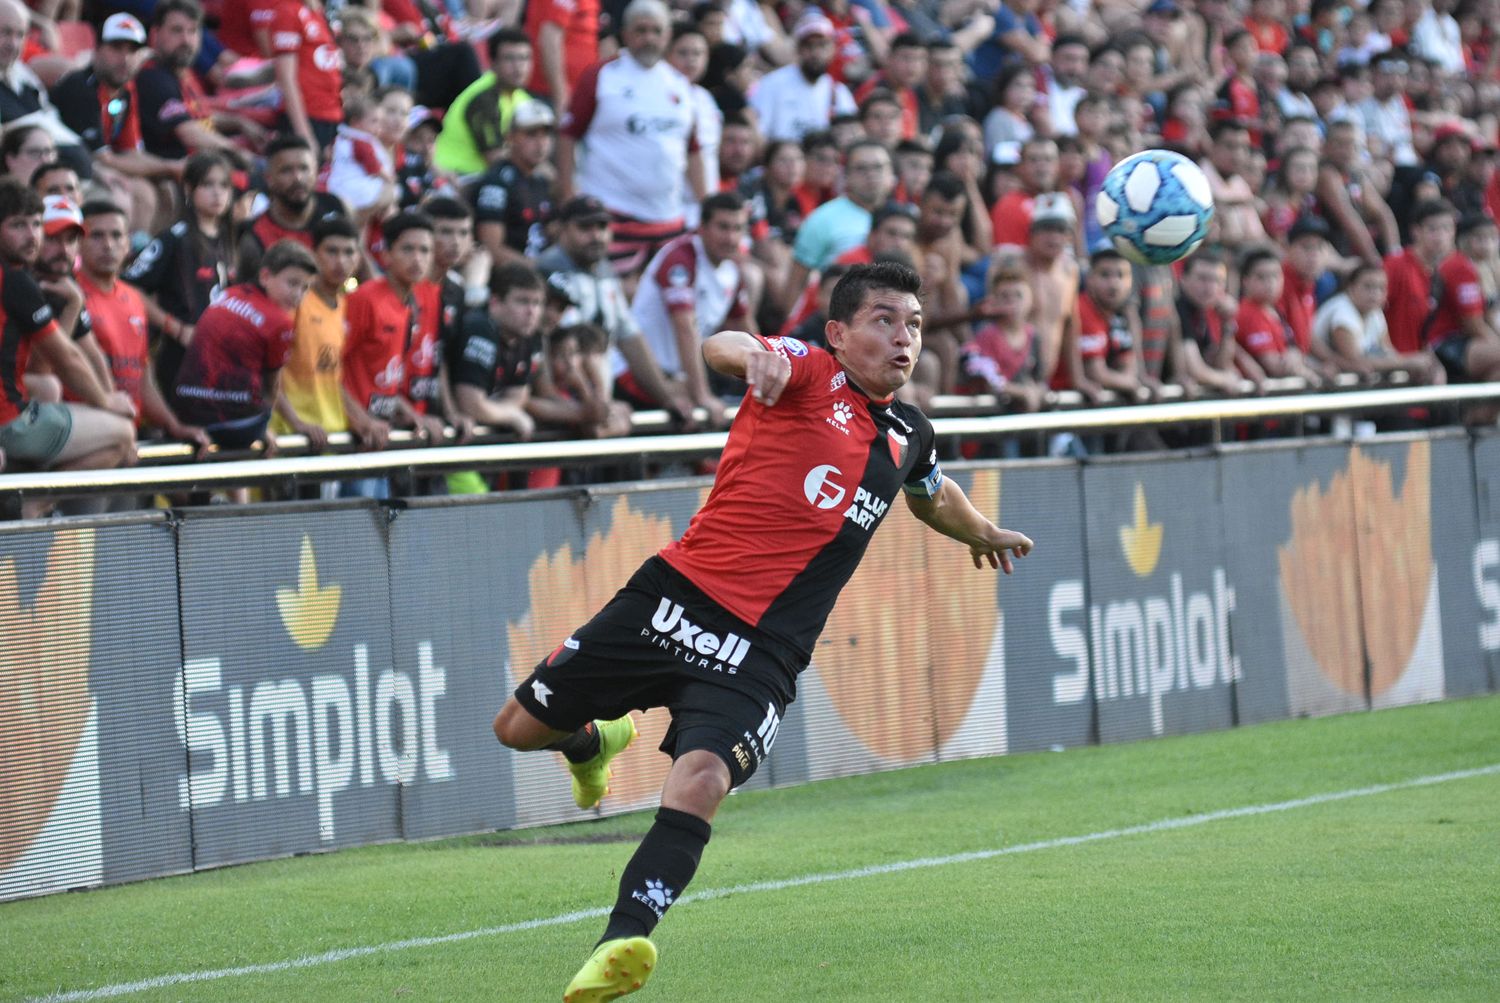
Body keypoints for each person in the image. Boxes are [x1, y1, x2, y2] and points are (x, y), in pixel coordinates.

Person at [489, 261, 1033, 1002]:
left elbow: (932, 494)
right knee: (517, 728)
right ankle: (594, 741)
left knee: (704, 775)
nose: (903, 337)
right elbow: (723, 343)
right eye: (884, 320)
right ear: (839, 332)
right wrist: (755, 357)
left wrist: (982, 531)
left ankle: (620, 938)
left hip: (766, 650)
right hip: (674, 597)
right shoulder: (808, 371)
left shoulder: (910, 431)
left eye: (912, 323)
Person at [0, 181, 136, 496]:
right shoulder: (17, 280)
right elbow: (64, 358)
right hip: (9, 422)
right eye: (19, 226)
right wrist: (106, 402)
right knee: (122, 434)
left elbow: (86, 355)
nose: (32, 235)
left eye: (36, 225)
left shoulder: (49, 284)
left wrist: (73, 305)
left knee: (48, 387)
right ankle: (35, 506)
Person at [558, 0, 704, 276]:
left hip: (668, 217)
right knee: (615, 298)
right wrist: (567, 194)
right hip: (611, 216)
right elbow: (567, 136)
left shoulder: (680, 84)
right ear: (625, 34)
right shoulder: (601, 76)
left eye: (656, 31)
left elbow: (693, 150)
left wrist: (704, 204)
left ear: (668, 35)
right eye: (641, 30)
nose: (649, 38)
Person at [537, 195, 695, 425]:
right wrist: (595, 403)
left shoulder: (606, 271)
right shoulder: (548, 271)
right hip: (562, 396)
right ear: (562, 229)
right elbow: (559, 350)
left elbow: (630, 338)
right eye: (585, 227)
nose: (596, 236)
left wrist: (666, 397)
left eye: (602, 227)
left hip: (597, 394)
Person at [76, 198, 205, 450]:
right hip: (88, 439)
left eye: (116, 236)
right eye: (97, 236)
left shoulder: (134, 299)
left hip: (129, 435)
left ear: (128, 244)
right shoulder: (71, 297)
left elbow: (141, 375)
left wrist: (172, 424)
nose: (108, 245)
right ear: (78, 243)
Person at [173, 239, 319, 451]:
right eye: (292, 283)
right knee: (261, 433)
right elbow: (271, 389)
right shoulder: (280, 321)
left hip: (185, 410)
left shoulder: (230, 293)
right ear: (265, 276)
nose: (298, 294)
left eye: (306, 288)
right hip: (232, 424)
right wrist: (283, 425)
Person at [123, 150, 236, 409]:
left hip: (215, 356)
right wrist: (175, 328)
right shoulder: (173, 239)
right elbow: (129, 287)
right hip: (176, 356)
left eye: (223, 185)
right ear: (188, 188)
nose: (217, 193)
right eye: (207, 184)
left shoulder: (228, 239)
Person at [340, 210, 448, 482]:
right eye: (408, 249)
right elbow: (327, 371)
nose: (418, 259)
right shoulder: (365, 300)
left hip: (381, 437)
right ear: (385, 255)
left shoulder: (409, 304)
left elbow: (386, 376)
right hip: (351, 439)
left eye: (425, 250)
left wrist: (412, 413)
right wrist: (361, 420)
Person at [628, 192, 753, 427]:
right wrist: (702, 395)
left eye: (738, 228)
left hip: (679, 378)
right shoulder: (680, 259)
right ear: (702, 227)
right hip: (638, 376)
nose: (731, 237)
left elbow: (747, 331)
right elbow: (684, 328)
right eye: (723, 227)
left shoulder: (733, 271)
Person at [47, 13, 174, 236]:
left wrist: (172, 169)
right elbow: (102, 158)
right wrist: (171, 167)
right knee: (120, 195)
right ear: (97, 49)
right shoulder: (79, 88)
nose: (125, 58)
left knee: (160, 190)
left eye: (132, 50)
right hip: (70, 172)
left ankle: (139, 259)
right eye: (116, 48)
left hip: (98, 167)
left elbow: (130, 152)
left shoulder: (124, 91)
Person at [270, 216, 362, 455]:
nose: (340, 261)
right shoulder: (296, 303)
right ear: (313, 254)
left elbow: (333, 373)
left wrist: (360, 419)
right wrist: (296, 422)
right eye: (331, 251)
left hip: (331, 436)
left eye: (349, 252)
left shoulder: (346, 305)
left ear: (358, 258)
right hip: (291, 438)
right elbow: (267, 370)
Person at [451, 260, 544, 443]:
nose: (531, 311)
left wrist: (505, 413)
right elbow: (471, 405)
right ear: (495, 302)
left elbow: (518, 397)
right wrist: (512, 417)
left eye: (537, 303)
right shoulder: (479, 328)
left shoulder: (528, 335)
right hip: (448, 433)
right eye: (522, 301)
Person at [238, 134, 348, 280]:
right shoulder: (254, 235)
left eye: (304, 168)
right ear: (268, 179)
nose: (298, 178)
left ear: (316, 172)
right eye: (286, 170)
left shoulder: (336, 207)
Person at [1312, 262, 1443, 383]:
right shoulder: (1342, 311)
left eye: (1381, 288)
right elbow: (1356, 361)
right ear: (1350, 288)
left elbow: (1387, 352)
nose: (1375, 293)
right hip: (1317, 374)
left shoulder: (1375, 312)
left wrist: (1416, 363)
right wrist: (1408, 362)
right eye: (1368, 286)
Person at [432, 28, 534, 176]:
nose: (519, 67)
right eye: (509, 58)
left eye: (524, 58)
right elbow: (495, 159)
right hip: (456, 175)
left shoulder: (523, 99)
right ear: (492, 63)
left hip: (484, 177)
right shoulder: (483, 98)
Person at [469, 100, 556, 267]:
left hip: (538, 268)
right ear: (510, 137)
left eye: (546, 134)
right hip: (509, 278)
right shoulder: (496, 182)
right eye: (531, 134)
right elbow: (492, 249)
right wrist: (540, 270)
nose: (540, 143)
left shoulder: (542, 181)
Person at [748, 13, 855, 142]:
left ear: (832, 49)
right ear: (798, 49)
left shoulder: (838, 92)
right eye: (808, 46)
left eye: (822, 45)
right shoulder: (771, 84)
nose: (815, 53)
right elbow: (758, 136)